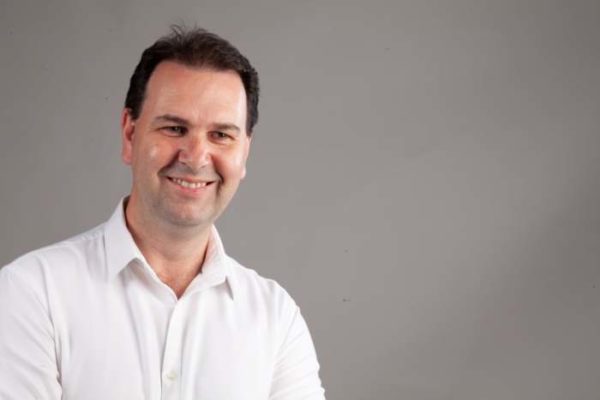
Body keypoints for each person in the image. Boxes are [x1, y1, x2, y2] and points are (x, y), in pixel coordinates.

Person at [0, 26, 325, 399]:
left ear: (244, 152)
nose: (196, 157)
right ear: (129, 134)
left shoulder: (276, 318)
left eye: (221, 135)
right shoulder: (33, 294)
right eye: (174, 128)